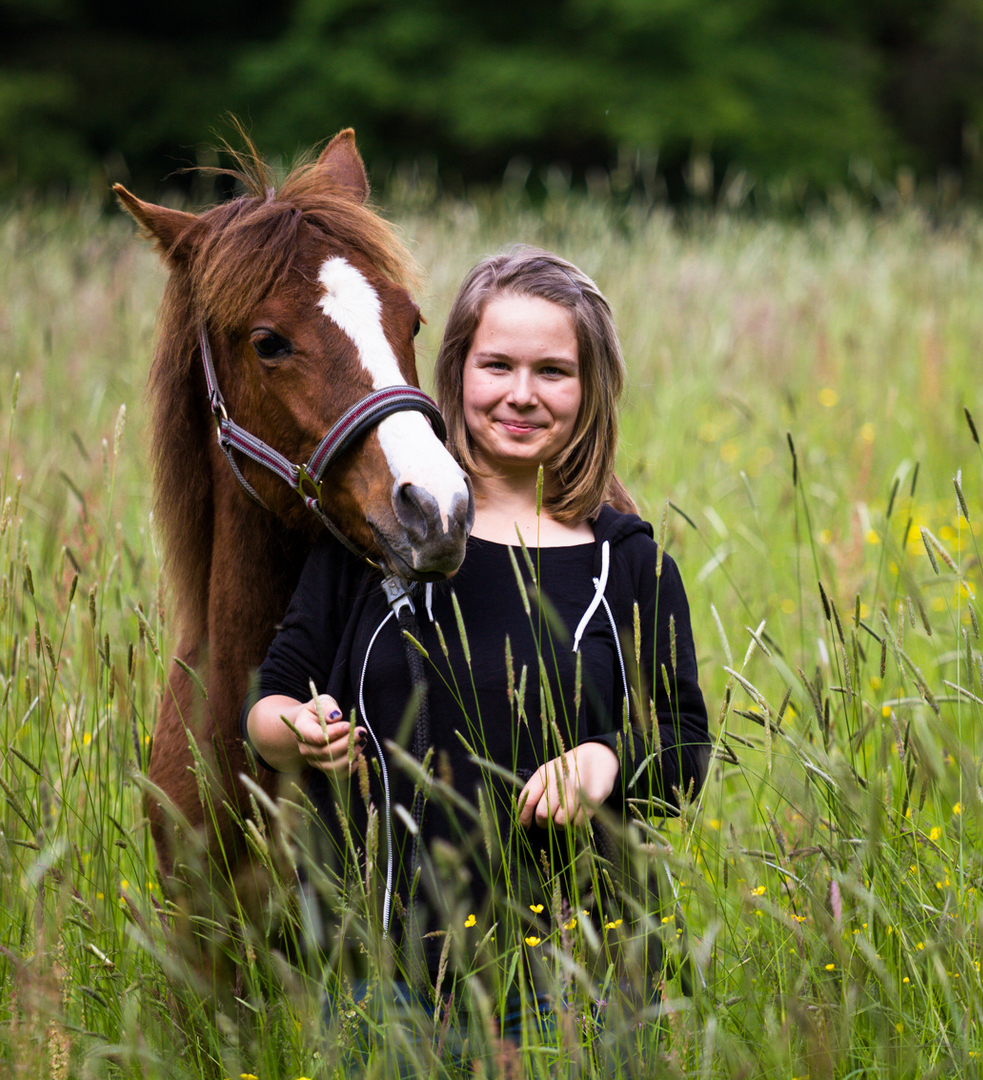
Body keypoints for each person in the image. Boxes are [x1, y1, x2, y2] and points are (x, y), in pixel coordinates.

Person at [243, 246, 709, 1057]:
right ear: (454, 372)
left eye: (553, 371)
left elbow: (685, 748)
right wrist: (299, 726)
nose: (521, 395)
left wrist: (604, 760)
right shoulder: (376, 540)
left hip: (577, 980)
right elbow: (270, 701)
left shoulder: (626, 561)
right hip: (379, 977)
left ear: (590, 389)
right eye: (497, 365)